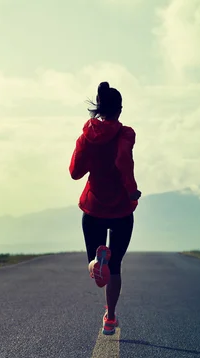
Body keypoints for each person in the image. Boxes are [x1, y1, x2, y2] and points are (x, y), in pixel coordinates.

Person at [69, 81, 141, 335]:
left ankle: (95, 264)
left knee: (95, 261)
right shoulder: (126, 133)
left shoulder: (87, 136)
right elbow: (123, 160)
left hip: (93, 207)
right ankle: (110, 318)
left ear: (98, 109)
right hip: (121, 207)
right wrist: (131, 189)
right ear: (120, 110)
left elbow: (75, 172)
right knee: (116, 266)